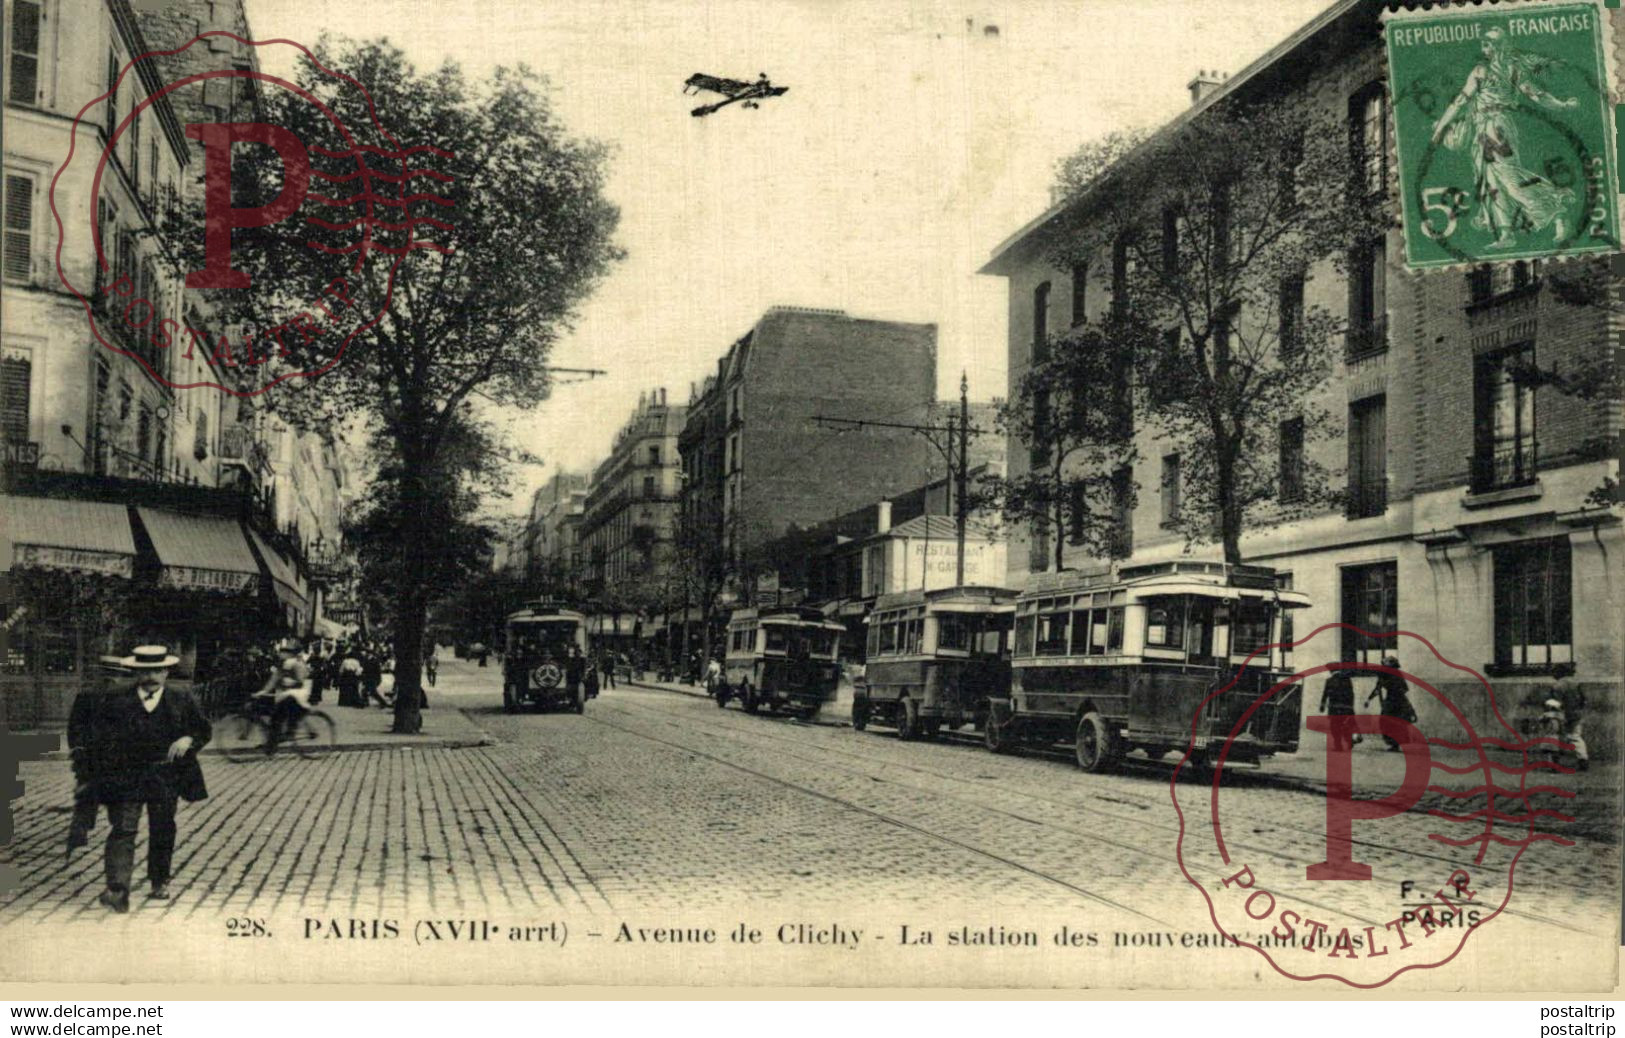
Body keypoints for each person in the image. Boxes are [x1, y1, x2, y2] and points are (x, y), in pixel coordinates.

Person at [82, 645, 211, 911]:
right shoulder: (116, 698)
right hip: (126, 776)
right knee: (123, 829)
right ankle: (118, 890)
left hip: (165, 775)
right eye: (145, 670)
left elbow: (202, 729)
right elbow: (97, 735)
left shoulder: (181, 698)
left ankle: (159, 881)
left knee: (162, 828)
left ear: (166, 671)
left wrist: (188, 739)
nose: (152, 676)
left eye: (157, 670)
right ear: (135, 672)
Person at [1429, 26, 1579, 249]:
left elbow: (1536, 94)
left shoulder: (1511, 70)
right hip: (1482, 129)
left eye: (1489, 43)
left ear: (1499, 46)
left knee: (1509, 177)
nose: (1484, 47)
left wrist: (1562, 104)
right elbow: (1460, 101)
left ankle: (1557, 210)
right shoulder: (1480, 71)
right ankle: (1506, 234)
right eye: (1483, 43)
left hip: (1498, 127)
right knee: (1490, 181)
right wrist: (1440, 128)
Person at [255, 638, 312, 749]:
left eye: (285, 652)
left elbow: (301, 681)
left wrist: (289, 682)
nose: (282, 654)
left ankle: (277, 739)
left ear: (291, 654)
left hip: (298, 694)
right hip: (286, 694)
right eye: (282, 651)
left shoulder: (297, 663)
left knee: (279, 713)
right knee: (275, 715)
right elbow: (274, 679)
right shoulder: (282, 665)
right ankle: (272, 742)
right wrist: (263, 691)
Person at [1364, 655, 1417, 752]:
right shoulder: (1389, 675)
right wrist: (1369, 699)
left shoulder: (1390, 675)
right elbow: (1378, 688)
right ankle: (1394, 744)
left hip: (1395, 701)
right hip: (1396, 701)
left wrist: (1369, 699)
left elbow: (1379, 689)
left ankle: (1395, 744)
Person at [1549, 665, 1589, 771]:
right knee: (1576, 737)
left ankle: (1555, 764)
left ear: (1559, 673)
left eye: (1554, 673)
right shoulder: (1577, 683)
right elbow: (1584, 700)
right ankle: (1583, 760)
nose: (1552, 675)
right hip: (1576, 714)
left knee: (1555, 737)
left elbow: (1556, 703)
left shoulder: (1557, 686)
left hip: (1561, 715)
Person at [1318, 662, 1360, 753]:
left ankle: (1338, 746)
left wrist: (1322, 705)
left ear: (1330, 671)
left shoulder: (1329, 681)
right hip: (1346, 707)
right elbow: (1351, 694)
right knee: (1346, 725)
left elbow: (1325, 694)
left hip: (1334, 708)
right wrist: (1351, 707)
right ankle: (1349, 740)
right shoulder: (1347, 679)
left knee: (1335, 727)